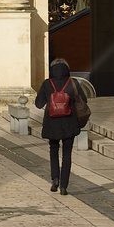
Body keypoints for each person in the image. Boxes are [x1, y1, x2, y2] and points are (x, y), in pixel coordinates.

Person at [36, 58, 83, 195]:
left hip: (52, 123)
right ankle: (64, 186)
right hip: (69, 123)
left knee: (53, 151)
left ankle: (55, 179)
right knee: (67, 154)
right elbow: (83, 100)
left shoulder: (47, 83)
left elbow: (38, 103)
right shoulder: (73, 83)